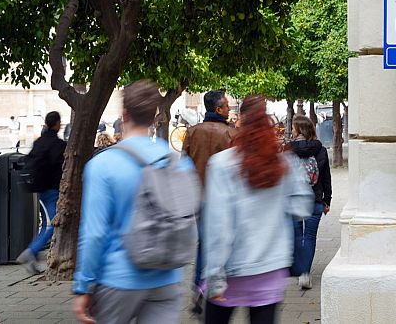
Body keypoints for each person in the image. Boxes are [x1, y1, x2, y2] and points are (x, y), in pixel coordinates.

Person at [73, 80, 196, 324]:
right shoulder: (178, 164)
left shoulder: (102, 166)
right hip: (167, 278)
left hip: (118, 280)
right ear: (155, 117)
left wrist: (83, 286)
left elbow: (94, 234)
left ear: (124, 114)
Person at [202, 95, 313, 324]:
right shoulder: (284, 163)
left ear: (240, 121)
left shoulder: (222, 164)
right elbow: (302, 206)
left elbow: (219, 224)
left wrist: (214, 273)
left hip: (232, 268)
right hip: (271, 267)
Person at [182, 90, 235, 313]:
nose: (230, 109)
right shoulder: (232, 134)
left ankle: (199, 287)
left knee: (204, 243)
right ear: (218, 109)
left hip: (198, 197)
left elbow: (183, 166)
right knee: (220, 243)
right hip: (222, 199)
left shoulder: (192, 133)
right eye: (227, 106)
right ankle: (212, 286)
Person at [16, 112, 66, 274]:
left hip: (41, 188)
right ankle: (31, 252)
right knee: (51, 224)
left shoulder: (39, 142)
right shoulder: (58, 144)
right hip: (52, 188)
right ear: (57, 124)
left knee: (49, 222)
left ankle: (33, 255)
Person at [288, 114, 333, 290]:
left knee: (297, 235)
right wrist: (327, 200)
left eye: (292, 127)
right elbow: (326, 178)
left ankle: (298, 268)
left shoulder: (288, 149)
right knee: (310, 236)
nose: (291, 131)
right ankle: (305, 274)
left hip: (293, 198)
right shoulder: (320, 149)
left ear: (298, 129)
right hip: (315, 198)